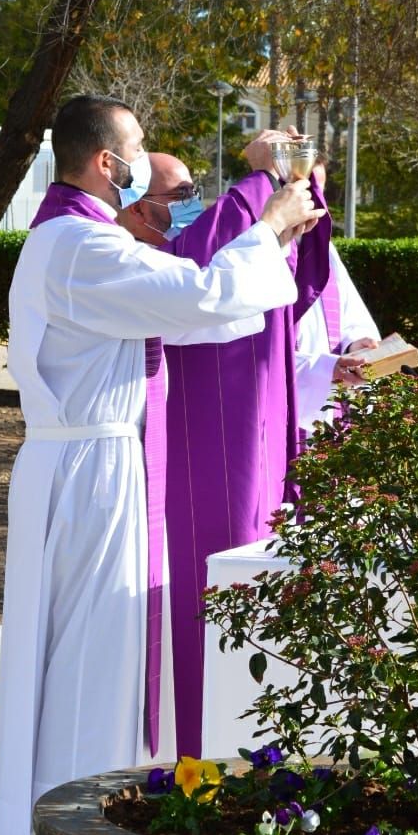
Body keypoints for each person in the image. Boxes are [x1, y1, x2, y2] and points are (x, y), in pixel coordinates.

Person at [0, 95, 322, 835]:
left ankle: (84, 823)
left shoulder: (87, 239)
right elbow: (199, 295)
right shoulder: (78, 244)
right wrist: (264, 222)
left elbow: (194, 315)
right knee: (88, 661)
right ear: (107, 162)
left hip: (98, 467)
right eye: (137, 146)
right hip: (89, 473)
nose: (146, 161)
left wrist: (271, 243)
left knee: (102, 658)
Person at [159, 129, 366, 758]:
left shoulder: (306, 258)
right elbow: (228, 318)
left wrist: (348, 357)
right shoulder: (208, 254)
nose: (308, 203)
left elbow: (316, 344)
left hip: (301, 439)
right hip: (246, 442)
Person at [294, 155, 379, 435]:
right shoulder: (256, 249)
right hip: (286, 408)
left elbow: (350, 316)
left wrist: (356, 343)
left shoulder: (325, 250)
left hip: (328, 402)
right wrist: (322, 368)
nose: (316, 200)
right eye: (307, 189)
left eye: (320, 189)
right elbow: (256, 353)